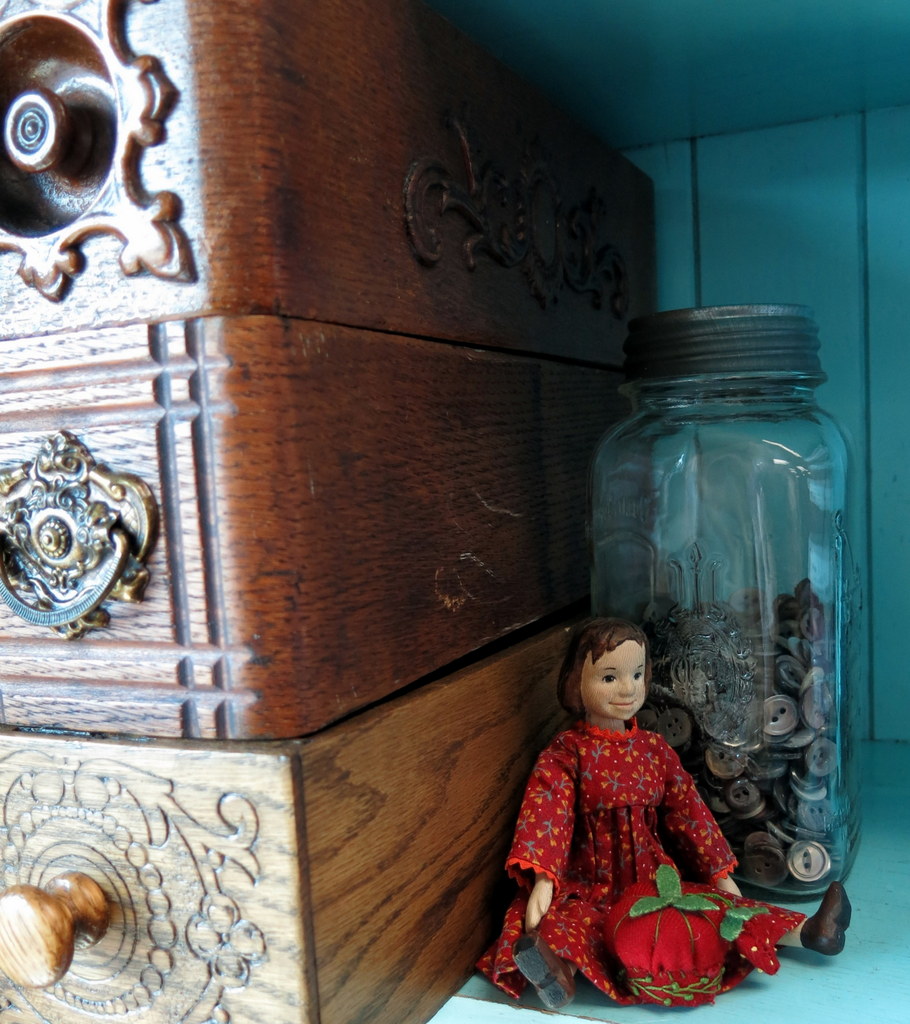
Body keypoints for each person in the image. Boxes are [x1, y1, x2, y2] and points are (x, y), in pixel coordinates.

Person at [477, 617, 851, 1009]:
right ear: (576, 682)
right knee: (572, 923)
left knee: (714, 911)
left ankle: (810, 932)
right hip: (589, 881)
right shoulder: (568, 753)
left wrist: (718, 872)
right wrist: (544, 879)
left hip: (655, 881)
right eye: (609, 677)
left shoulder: (654, 749)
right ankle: (559, 975)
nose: (627, 689)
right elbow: (547, 811)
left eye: (637, 675)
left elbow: (688, 811)